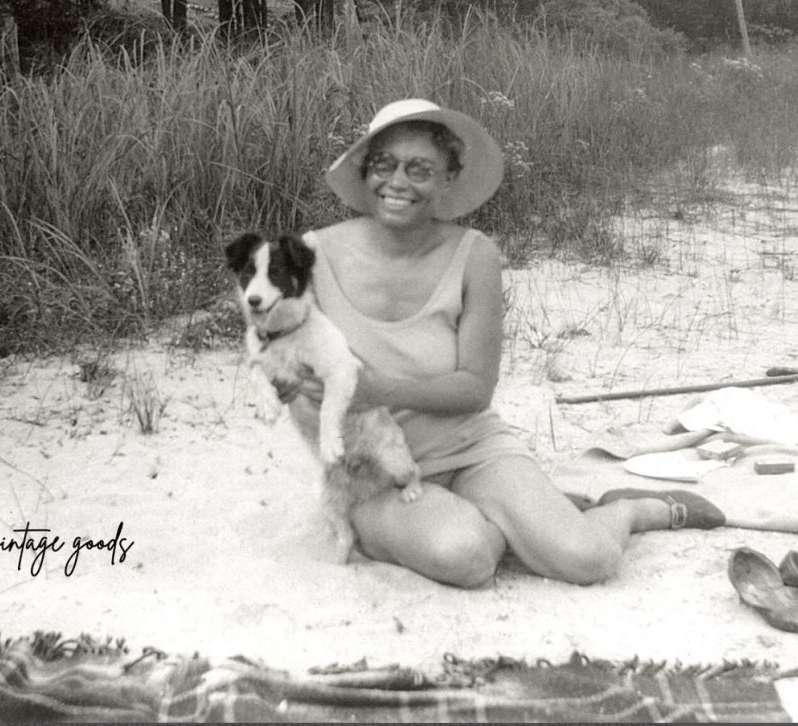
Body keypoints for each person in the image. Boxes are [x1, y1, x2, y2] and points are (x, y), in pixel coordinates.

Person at [283, 99, 724, 589]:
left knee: (586, 560)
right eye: (384, 165)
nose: (398, 183)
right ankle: (512, 518)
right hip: (374, 474)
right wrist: (297, 390)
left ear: (449, 178)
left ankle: (632, 510)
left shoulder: (475, 255)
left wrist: (376, 390)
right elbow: (285, 364)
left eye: (420, 169)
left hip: (471, 448)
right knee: (466, 557)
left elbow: (474, 389)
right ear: (365, 170)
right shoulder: (311, 255)